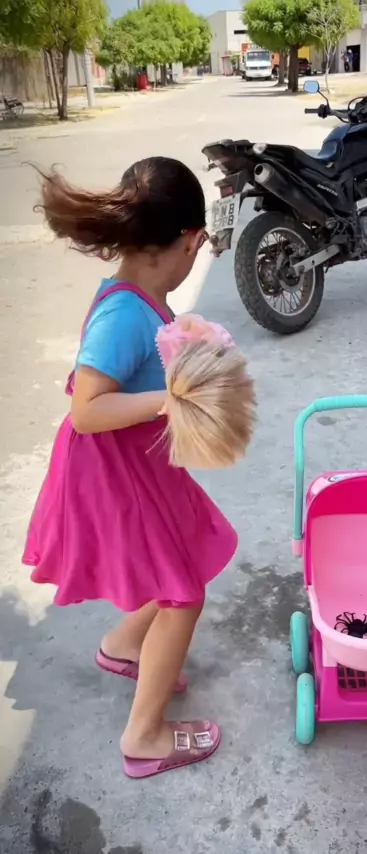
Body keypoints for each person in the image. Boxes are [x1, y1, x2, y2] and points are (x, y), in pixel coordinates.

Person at [22, 156, 238, 779]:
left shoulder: (145, 301)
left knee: (187, 550)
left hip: (138, 462)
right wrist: (171, 397)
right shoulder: (123, 314)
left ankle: (122, 647)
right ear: (190, 240)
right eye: (200, 246)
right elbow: (88, 409)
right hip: (111, 472)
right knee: (183, 594)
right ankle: (144, 737)